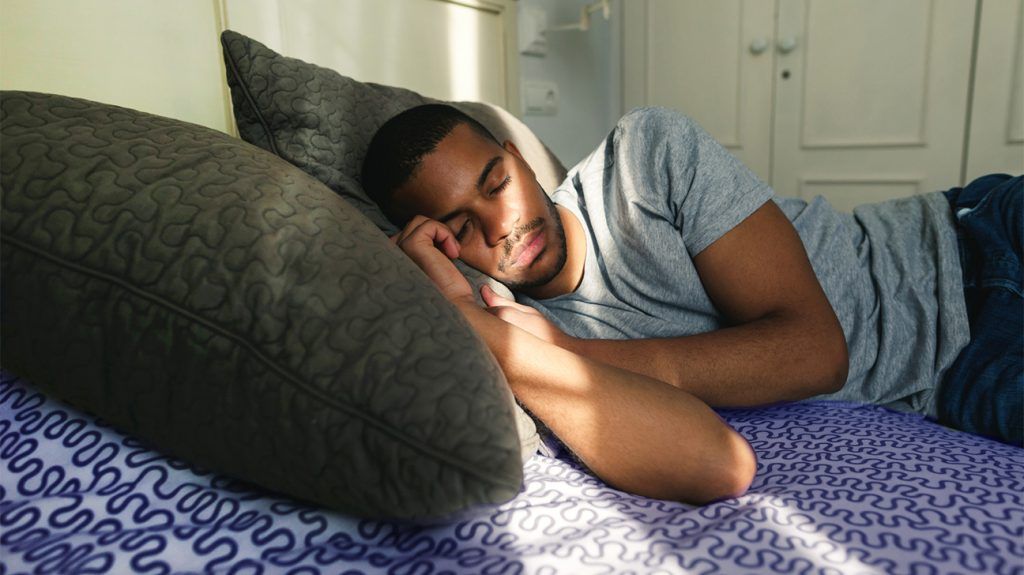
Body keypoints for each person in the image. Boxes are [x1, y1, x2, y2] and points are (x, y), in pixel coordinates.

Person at [360, 104, 1022, 500]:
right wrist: (481, 323)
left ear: (517, 158)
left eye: (497, 183)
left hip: (971, 229)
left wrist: (574, 353)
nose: (502, 224)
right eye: (463, 225)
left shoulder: (646, 157)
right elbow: (715, 463)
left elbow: (813, 349)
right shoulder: (514, 323)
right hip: (963, 365)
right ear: (440, 244)